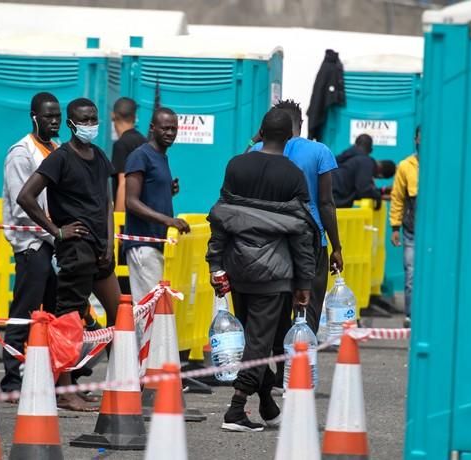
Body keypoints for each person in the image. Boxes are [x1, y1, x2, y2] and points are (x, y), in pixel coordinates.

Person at [207, 108, 319, 432]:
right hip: (275, 272)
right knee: (259, 343)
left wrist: (215, 264)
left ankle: (268, 407)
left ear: (259, 131)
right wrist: (304, 282)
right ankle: (236, 409)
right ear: (289, 137)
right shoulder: (293, 174)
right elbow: (301, 232)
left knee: (253, 339)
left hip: (237, 266)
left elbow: (221, 219)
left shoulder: (235, 165)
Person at [17, 97, 120, 411]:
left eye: (94, 118)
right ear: (72, 124)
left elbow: (107, 203)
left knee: (121, 316)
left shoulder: (99, 155)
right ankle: (63, 389)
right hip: (75, 249)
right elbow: (26, 197)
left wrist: (110, 244)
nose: (90, 124)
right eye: (84, 120)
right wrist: (57, 231)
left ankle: (120, 381)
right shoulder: (60, 158)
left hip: (100, 249)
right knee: (68, 320)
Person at [248, 99, 342, 392]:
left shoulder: (255, 150)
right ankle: (296, 370)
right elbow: (325, 202)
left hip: (268, 239)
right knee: (308, 306)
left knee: (274, 304)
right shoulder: (319, 151)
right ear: (298, 123)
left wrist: (254, 138)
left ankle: (275, 372)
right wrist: (336, 245)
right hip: (310, 238)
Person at [0, 92, 60, 393]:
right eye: (48, 116)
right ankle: (11, 379)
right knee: (24, 311)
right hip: (31, 244)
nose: (54, 122)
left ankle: (51, 375)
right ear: (34, 117)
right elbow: (23, 204)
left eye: (58, 117)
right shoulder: (22, 153)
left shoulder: (57, 149)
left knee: (53, 311)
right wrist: (55, 233)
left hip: (52, 242)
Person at [124, 107, 188, 302]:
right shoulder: (140, 155)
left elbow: (147, 195)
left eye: (174, 129)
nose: (170, 133)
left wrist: (168, 192)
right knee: (149, 307)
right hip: (144, 245)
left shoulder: (161, 156)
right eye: (165, 128)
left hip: (158, 245)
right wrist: (169, 221)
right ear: (152, 128)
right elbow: (131, 202)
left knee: (159, 306)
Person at [390, 126, 420, 328]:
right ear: (416, 139)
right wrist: (395, 226)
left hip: (436, 233)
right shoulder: (406, 166)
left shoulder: (441, 164)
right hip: (411, 230)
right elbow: (398, 198)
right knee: (410, 274)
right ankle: (410, 315)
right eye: (420, 137)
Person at [332, 134, 396, 209]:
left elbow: (356, 188)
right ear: (380, 176)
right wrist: (380, 196)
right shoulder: (366, 162)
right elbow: (364, 190)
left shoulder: (344, 158)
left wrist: (382, 190)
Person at [111, 97, 146, 212]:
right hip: (143, 213)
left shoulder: (121, 145)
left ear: (113, 116)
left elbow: (124, 184)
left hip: (128, 216)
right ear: (134, 117)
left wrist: (117, 219)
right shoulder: (144, 142)